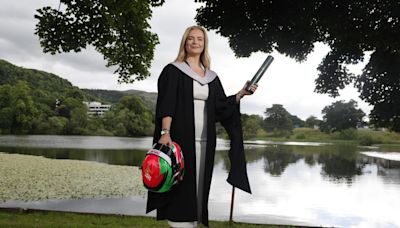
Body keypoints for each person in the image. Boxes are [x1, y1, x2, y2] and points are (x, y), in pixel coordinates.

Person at [146, 25, 257, 227]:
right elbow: (167, 104)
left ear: (204, 44)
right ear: (185, 43)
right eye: (191, 39)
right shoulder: (173, 71)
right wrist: (165, 133)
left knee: (199, 185)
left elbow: (221, 107)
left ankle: (194, 220)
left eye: (200, 39)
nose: (195, 42)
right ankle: (179, 223)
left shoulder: (211, 77)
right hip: (179, 138)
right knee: (180, 185)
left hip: (206, 142)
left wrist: (240, 94)